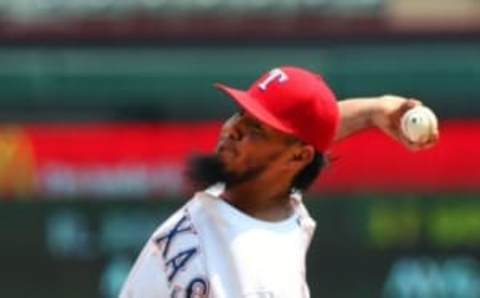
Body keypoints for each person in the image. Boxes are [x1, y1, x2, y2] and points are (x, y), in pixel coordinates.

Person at [119, 66, 438, 298]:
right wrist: (373, 110)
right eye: (240, 113)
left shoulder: (255, 278)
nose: (233, 129)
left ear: (297, 159)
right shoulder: (259, 194)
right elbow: (303, 137)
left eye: (256, 128)